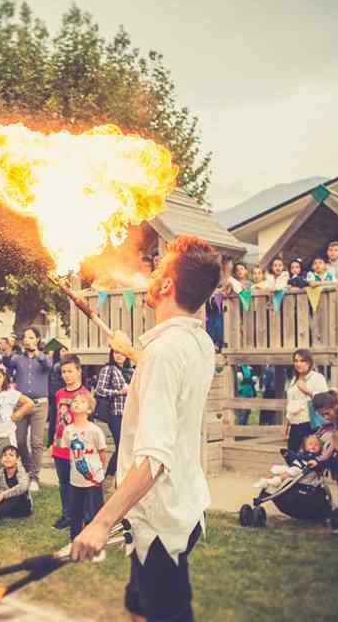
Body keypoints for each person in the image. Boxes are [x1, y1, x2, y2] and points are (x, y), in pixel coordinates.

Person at [70, 235, 222, 622]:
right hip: (176, 511)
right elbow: (171, 380)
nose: (151, 273)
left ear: (168, 285)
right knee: (139, 608)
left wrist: (101, 521)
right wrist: (135, 353)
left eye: (159, 267)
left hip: (158, 523)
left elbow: (154, 458)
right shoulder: (199, 343)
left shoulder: (164, 353)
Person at [8, 327, 52, 493]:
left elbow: (48, 365)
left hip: (40, 404)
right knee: (19, 440)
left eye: (31, 337)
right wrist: (9, 347)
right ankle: (27, 469)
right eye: (25, 337)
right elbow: (6, 364)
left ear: (38, 340)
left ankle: (34, 476)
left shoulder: (45, 358)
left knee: (36, 442)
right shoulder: (18, 359)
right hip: (21, 404)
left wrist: (37, 352)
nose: (27, 340)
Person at [51, 354, 90, 530]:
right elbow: (56, 418)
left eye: (70, 371)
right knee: (64, 483)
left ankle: (82, 515)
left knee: (80, 483)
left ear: (79, 371)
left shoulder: (84, 394)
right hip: (60, 446)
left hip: (77, 447)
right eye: (63, 372)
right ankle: (67, 514)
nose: (66, 375)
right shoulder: (59, 394)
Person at [63, 392, 107, 546]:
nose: (76, 403)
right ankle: (75, 539)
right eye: (75, 401)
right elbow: (70, 450)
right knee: (76, 511)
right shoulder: (68, 430)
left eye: (81, 402)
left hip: (93, 479)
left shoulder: (95, 430)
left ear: (89, 410)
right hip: (76, 479)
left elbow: (102, 454)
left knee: (96, 510)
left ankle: (96, 538)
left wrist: (98, 473)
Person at [284, 349, 328, 452]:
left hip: (310, 423)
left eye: (302, 361)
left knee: (310, 455)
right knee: (292, 455)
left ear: (309, 362)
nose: (298, 364)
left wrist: (307, 391)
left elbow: (325, 399)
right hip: (295, 424)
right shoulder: (293, 380)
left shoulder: (317, 377)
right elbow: (290, 402)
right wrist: (286, 423)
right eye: (296, 361)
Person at [94, 349, 129, 476]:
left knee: (127, 446)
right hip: (115, 413)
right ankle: (109, 475)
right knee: (121, 446)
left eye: (122, 352)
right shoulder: (108, 369)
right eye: (116, 353)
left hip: (129, 413)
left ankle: (119, 475)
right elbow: (100, 390)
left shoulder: (131, 370)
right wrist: (119, 392)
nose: (119, 356)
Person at [253, 434, 322, 490]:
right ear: (306, 446)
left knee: (293, 470)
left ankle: (277, 480)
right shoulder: (302, 453)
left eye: (316, 445)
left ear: (320, 447)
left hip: (304, 471)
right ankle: (265, 480)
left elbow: (320, 464)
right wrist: (288, 455)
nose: (313, 446)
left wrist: (317, 462)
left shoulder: (318, 457)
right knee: (277, 468)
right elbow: (295, 458)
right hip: (296, 466)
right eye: (310, 444)